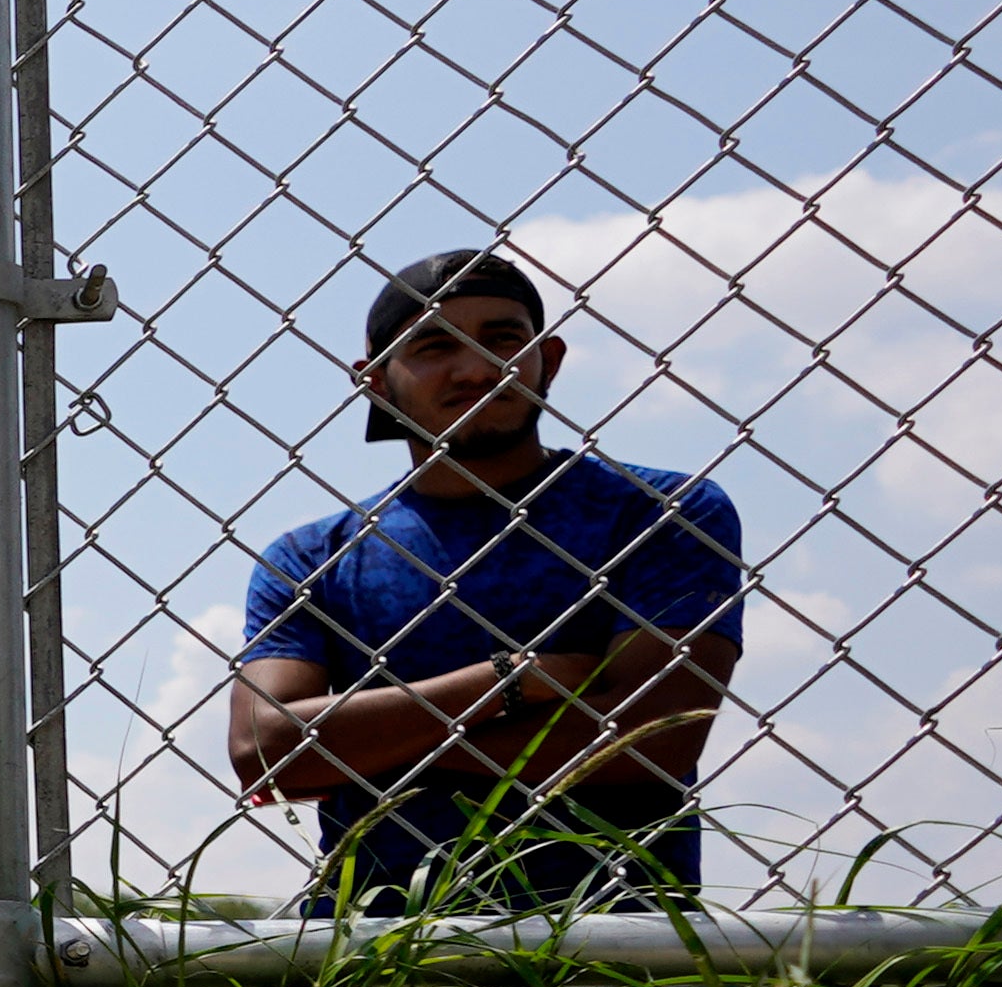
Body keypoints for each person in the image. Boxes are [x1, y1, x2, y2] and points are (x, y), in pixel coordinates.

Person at [228, 244, 744, 908]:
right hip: (377, 944)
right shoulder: (313, 557)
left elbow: (653, 743)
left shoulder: (656, 512)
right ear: (375, 381)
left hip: (613, 936)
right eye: (433, 346)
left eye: (502, 340)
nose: (476, 368)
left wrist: (368, 748)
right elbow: (266, 753)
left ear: (547, 360)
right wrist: (510, 680)